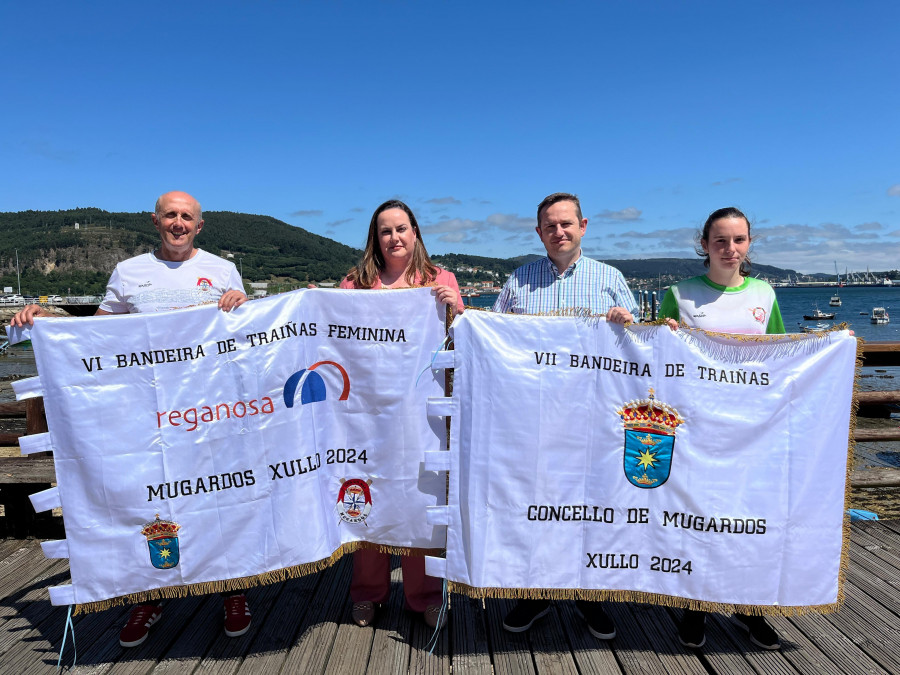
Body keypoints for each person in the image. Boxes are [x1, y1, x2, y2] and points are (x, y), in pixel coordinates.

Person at [11, 191, 251, 647]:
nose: (178, 223)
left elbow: (240, 336)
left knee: (221, 497)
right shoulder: (129, 272)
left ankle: (233, 591)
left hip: (208, 410)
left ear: (200, 226)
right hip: (145, 414)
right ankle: (149, 595)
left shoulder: (222, 270)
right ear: (155, 221)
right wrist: (47, 319)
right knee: (149, 502)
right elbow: (97, 336)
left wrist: (242, 304)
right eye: (170, 216)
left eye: (187, 217)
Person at [494, 192, 638, 640]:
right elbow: (494, 341)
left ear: (583, 226)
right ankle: (536, 593)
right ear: (539, 232)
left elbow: (641, 348)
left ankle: (588, 595)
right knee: (536, 506)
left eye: (566, 224)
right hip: (533, 420)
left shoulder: (609, 278)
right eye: (550, 226)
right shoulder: (518, 282)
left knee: (589, 507)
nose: (559, 232)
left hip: (594, 419)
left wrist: (626, 321)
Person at [658, 206, 783, 650]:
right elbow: (660, 357)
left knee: (745, 519)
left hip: (749, 430)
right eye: (721, 241)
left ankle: (750, 608)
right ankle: (693, 608)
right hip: (696, 429)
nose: (731, 249)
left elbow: (782, 358)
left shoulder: (765, 294)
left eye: (739, 240)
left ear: (750, 243)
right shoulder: (680, 293)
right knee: (694, 519)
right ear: (704, 245)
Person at [339, 199, 463, 631]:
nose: (394, 237)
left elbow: (460, 342)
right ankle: (367, 593)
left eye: (401, 229)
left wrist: (457, 310)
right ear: (376, 238)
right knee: (366, 493)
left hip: (423, 414)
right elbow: (336, 340)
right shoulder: (355, 284)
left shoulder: (440, 280)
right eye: (385, 231)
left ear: (416, 233)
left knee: (419, 498)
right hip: (367, 414)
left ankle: (425, 594)